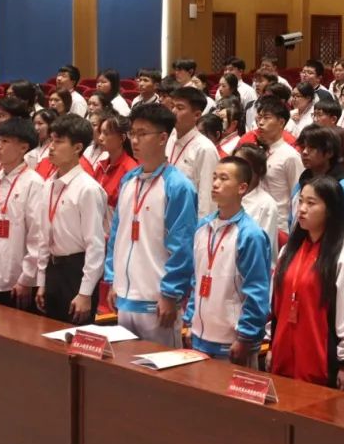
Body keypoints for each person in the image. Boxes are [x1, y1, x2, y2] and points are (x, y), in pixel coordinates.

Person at [105, 103, 198, 345]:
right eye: (132, 133)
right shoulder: (128, 180)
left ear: (163, 138)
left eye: (142, 134)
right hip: (124, 297)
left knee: (159, 367)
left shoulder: (178, 186)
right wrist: (113, 279)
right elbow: (116, 235)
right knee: (124, 364)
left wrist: (170, 293)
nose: (134, 140)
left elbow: (182, 245)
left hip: (157, 302)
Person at [271, 176, 344, 387]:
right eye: (300, 201)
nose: (302, 209)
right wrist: (271, 344)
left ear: (330, 210)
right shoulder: (289, 250)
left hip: (321, 364)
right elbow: (276, 304)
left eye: (311, 203)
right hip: (282, 358)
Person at [183, 157, 271, 366]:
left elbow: (257, 290)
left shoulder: (250, 234)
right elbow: (197, 280)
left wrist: (245, 336)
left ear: (242, 188)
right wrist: (190, 319)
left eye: (223, 179)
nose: (215, 184)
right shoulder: (203, 227)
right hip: (199, 336)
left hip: (232, 342)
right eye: (214, 177)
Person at [34, 114, 107, 323]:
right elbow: (43, 237)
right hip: (53, 268)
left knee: (74, 335)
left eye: (59, 142)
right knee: (47, 333)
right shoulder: (48, 184)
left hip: (76, 270)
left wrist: (85, 292)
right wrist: (41, 281)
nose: (51, 147)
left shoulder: (88, 189)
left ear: (77, 147)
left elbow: (95, 245)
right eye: (51, 140)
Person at [0, 118, 43, 308]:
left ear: (23, 147)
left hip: (18, 279)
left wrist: (27, 278)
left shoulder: (34, 182)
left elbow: (37, 235)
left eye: (5, 141)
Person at [294, 125, 344, 250]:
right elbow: (293, 224)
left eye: (312, 148)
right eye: (303, 147)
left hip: (334, 255)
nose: (304, 152)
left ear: (329, 153)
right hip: (302, 253)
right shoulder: (300, 184)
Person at [250, 95, 303, 232]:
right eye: (259, 118)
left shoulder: (290, 156)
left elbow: (298, 198)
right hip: (256, 221)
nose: (260, 123)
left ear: (281, 122)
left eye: (266, 118)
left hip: (280, 227)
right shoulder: (258, 153)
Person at [165, 86, 220, 217]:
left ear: (197, 115)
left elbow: (207, 201)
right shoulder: (170, 137)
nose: (173, 111)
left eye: (180, 108)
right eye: (172, 106)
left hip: (188, 219)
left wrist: (202, 227)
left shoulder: (205, 149)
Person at [232, 143, 280, 270]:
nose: (235, 168)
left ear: (258, 170)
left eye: (242, 164)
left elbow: (262, 249)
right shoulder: (228, 196)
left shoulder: (266, 204)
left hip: (253, 268)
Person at [94, 113, 138, 229]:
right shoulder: (101, 166)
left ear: (122, 138)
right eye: (100, 132)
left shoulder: (131, 171)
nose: (100, 138)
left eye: (106, 133)